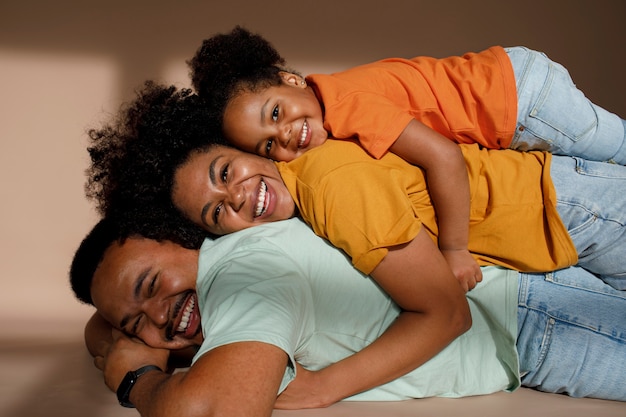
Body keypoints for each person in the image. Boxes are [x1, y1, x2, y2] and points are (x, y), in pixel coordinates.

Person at [188, 26, 626, 284]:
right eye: (267, 145)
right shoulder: (330, 115)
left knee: (617, 146)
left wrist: (454, 249)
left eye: (277, 112)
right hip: (511, 101)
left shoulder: (347, 104)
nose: (284, 136)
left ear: (292, 79)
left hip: (521, 95)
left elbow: (443, 158)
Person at [70, 216, 626, 417]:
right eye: (134, 322)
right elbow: (101, 329)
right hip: (531, 317)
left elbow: (215, 412)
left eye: (150, 285)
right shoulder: (230, 273)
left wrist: (136, 379)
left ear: (179, 236)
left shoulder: (241, 279)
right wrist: (119, 331)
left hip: (539, 325)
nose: (157, 320)